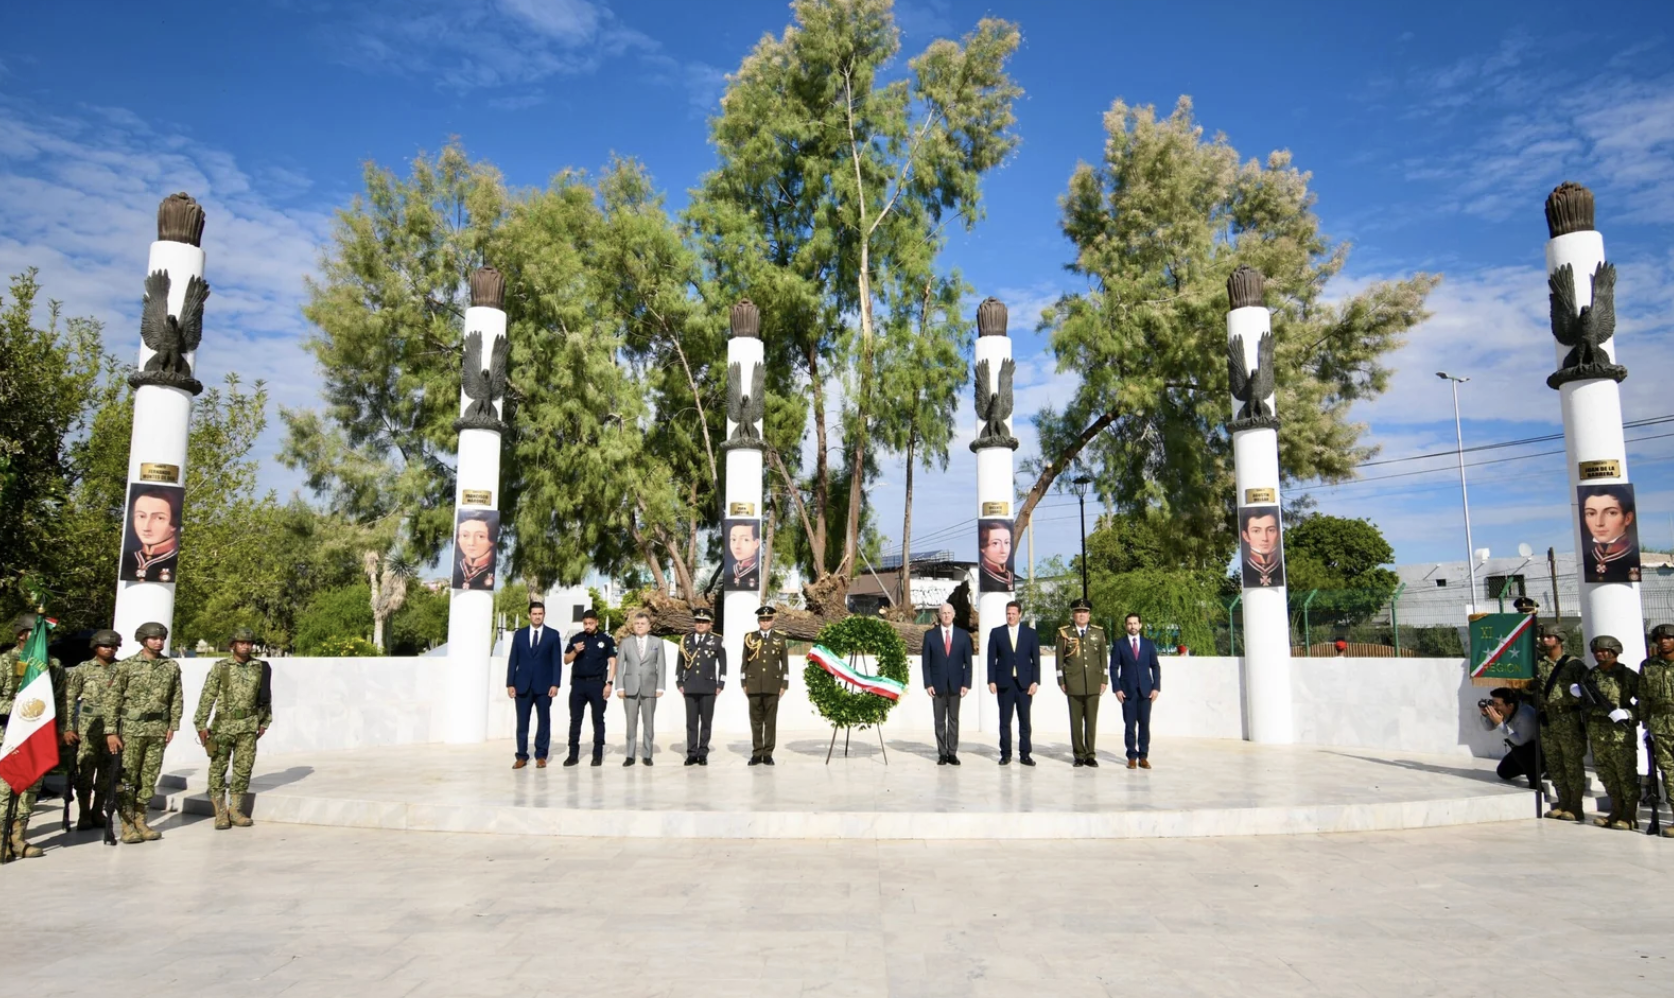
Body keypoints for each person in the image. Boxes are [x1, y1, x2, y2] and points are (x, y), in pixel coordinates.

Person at [103, 621, 183, 844]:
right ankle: (127, 824)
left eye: (161, 638)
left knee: (148, 778)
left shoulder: (171, 666)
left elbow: (176, 697)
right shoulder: (126, 666)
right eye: (153, 638)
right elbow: (113, 700)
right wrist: (111, 731)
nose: (158, 642)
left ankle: (141, 820)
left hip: (157, 730)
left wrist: (172, 725)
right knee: (127, 778)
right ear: (143, 640)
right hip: (130, 730)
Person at [0, 613, 68, 860]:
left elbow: (60, 700)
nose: (44, 639)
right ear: (21, 635)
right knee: (4, 790)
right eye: (37, 634)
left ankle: (18, 839)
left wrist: (61, 729)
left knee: (29, 789)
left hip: (36, 736)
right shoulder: (4, 662)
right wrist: (18, 710)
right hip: (6, 736)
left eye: (45, 635)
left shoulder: (53, 665)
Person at [193, 627, 272, 830]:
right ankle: (220, 811)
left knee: (243, 768)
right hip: (223, 726)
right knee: (218, 767)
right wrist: (200, 724)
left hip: (248, 725)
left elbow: (265, 696)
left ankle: (236, 810)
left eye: (249, 643)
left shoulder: (259, 667)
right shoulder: (221, 667)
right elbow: (207, 696)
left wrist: (264, 722)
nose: (246, 646)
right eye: (242, 642)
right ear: (233, 645)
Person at [1578, 634, 1641, 830]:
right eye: (1596, 651)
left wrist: (1628, 714)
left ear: (1614, 651)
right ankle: (1615, 811)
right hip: (1597, 731)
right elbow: (1584, 703)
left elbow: (1645, 703)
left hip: (1619, 733)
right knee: (1606, 774)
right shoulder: (1590, 675)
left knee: (1625, 775)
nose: (1599, 654)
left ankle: (1629, 815)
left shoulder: (1627, 676)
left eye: (1604, 650)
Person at [65, 629, 123, 830]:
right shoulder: (83, 669)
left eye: (114, 646)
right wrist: (68, 728)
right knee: (85, 771)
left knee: (107, 772)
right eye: (106, 646)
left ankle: (98, 811)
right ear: (95, 647)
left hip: (114, 728)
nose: (110, 649)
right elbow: (70, 699)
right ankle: (84, 813)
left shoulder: (122, 669)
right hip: (88, 726)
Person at [1533, 625, 1589, 821]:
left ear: (1559, 639)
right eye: (1543, 637)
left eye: (1549, 637)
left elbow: (1588, 693)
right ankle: (1563, 802)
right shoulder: (1538, 664)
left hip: (1569, 719)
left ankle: (1576, 805)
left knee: (1572, 764)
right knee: (1554, 763)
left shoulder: (1574, 665)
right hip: (1547, 719)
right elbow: (1530, 692)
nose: (1544, 640)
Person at [505, 601, 560, 769]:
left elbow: (556, 661)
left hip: (544, 686)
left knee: (544, 721)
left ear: (544, 615)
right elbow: (513, 659)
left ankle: (541, 755)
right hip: (522, 685)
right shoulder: (520, 635)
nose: (537, 616)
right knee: (522, 723)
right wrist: (510, 683)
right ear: (529, 615)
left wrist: (555, 683)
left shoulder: (552, 635)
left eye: (540, 613)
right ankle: (521, 756)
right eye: (534, 613)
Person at [1056, 598, 1108, 767]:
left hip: (1093, 683)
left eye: (1084, 612)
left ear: (1089, 614)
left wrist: (1104, 680)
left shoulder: (1098, 633)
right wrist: (1061, 681)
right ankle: (1078, 754)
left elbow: (1103, 659)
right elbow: (1059, 661)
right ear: (1073, 615)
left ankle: (1090, 754)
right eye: (1078, 612)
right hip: (1073, 683)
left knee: (1091, 721)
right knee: (1076, 722)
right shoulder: (1064, 633)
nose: (1081, 615)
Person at [987, 600, 1039, 766]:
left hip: (1024, 684)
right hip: (1004, 683)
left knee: (1025, 721)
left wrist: (1035, 681)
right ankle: (1006, 754)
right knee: (1004, 721)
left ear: (1020, 614)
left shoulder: (1030, 634)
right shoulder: (997, 633)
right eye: (1008, 613)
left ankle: (1025, 754)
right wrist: (991, 680)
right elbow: (991, 659)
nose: (1010, 616)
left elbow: (1035, 660)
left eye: (1013, 613)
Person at [562, 609, 616, 766]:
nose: (588, 626)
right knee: (575, 719)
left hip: (597, 684)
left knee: (598, 719)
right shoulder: (576, 639)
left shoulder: (606, 640)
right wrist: (575, 651)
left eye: (591, 623)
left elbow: (613, 662)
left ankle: (597, 754)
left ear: (597, 622)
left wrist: (609, 683)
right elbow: (566, 660)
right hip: (578, 684)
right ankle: (573, 755)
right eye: (585, 623)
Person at [921, 602, 973, 765]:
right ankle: (942, 753)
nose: (946, 615)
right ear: (939, 615)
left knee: (954, 719)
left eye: (949, 613)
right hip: (937, 685)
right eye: (943, 613)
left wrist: (966, 683)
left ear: (953, 614)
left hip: (956, 685)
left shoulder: (963, 635)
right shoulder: (930, 635)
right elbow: (926, 662)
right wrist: (928, 684)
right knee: (939, 720)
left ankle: (952, 753)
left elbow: (968, 663)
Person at [1111, 612, 1162, 770]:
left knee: (1144, 725)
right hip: (1127, 691)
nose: (1132, 626)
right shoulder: (1120, 644)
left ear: (1140, 625)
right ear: (1126, 626)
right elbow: (1114, 668)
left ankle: (1143, 756)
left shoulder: (1148, 644)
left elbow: (1155, 666)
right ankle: (1131, 756)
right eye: (1129, 624)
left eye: (1135, 623)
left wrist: (1156, 687)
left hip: (1146, 691)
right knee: (1129, 725)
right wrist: (1117, 688)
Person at [677, 608, 726, 766]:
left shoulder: (717, 640)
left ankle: (703, 752)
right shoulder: (686, 640)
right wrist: (679, 682)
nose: (700, 624)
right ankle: (691, 753)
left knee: (706, 722)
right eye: (698, 621)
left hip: (708, 687)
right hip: (690, 686)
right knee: (691, 723)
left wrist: (720, 684)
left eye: (704, 622)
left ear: (710, 624)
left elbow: (723, 664)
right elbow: (680, 663)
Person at [617, 610, 666, 767]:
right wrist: (619, 687)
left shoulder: (657, 643)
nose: (639, 626)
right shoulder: (625, 642)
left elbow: (662, 665)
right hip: (630, 688)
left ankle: (647, 754)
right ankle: (630, 755)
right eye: (637, 623)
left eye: (642, 624)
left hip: (650, 688)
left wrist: (660, 687)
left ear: (649, 626)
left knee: (648, 723)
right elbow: (619, 666)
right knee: (630, 724)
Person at [1638, 623, 1674, 838]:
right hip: (1660, 725)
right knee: (1669, 774)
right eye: (1660, 638)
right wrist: (1645, 724)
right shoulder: (1649, 666)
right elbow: (1644, 697)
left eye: (1669, 637)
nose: (1663, 641)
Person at [741, 605, 789, 765]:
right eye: (762, 619)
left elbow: (785, 665)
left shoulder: (780, 639)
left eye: (768, 619)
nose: (765, 622)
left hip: (773, 686)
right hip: (753, 685)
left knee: (770, 721)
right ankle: (757, 753)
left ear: (773, 620)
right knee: (755, 722)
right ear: (758, 620)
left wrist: (784, 684)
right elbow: (744, 663)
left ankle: (768, 753)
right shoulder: (750, 638)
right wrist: (744, 682)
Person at [1480, 687, 1541, 787]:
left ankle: (1536, 782)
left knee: (1521, 751)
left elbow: (1519, 741)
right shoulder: (1504, 711)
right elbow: (1488, 727)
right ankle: (1529, 769)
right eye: (1492, 703)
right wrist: (1485, 714)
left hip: (1537, 752)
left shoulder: (1525, 715)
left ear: (1510, 705)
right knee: (1503, 771)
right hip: (1521, 751)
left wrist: (1500, 723)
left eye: (1498, 704)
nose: (1494, 707)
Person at [1580, 485, 1640, 583]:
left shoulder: (1633, 559)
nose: (1599, 523)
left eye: (1611, 513)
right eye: (1591, 513)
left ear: (1627, 518)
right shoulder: (1586, 560)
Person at [122, 485, 181, 582]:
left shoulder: (175, 560)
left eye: (159, 518)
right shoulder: (128, 558)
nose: (146, 527)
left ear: (174, 524)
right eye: (141, 516)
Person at [1239, 507, 1284, 587]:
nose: (1265, 538)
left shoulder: (1283, 568)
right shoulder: (1243, 570)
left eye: (1270, 530)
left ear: (1278, 534)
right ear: (1246, 536)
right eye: (1256, 531)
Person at [452, 511, 497, 590]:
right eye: (465, 535)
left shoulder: (490, 569)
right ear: (458, 539)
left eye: (480, 536)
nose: (471, 543)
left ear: (492, 541)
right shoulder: (458, 567)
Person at [978, 521, 1015, 591]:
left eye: (1007, 542)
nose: (1003, 550)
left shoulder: (1010, 575)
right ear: (982, 547)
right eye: (995, 543)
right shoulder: (983, 577)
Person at [726, 521, 761, 591]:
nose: (737, 546)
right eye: (733, 539)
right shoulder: (729, 571)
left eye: (745, 540)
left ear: (756, 543)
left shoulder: (758, 572)